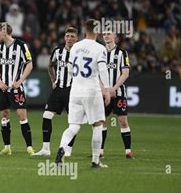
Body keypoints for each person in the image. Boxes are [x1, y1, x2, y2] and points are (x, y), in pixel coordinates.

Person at [55, 19, 111, 168]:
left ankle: (62, 148)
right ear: (97, 30)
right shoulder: (100, 48)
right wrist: (107, 89)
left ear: (85, 30)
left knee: (73, 126)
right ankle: (95, 160)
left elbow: (69, 69)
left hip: (75, 91)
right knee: (98, 125)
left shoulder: (75, 47)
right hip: (92, 91)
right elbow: (103, 70)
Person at [34, 27, 78, 156]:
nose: (69, 38)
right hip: (58, 89)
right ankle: (45, 149)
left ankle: (68, 149)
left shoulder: (79, 53)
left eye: (72, 36)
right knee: (46, 116)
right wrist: (53, 80)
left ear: (76, 38)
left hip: (72, 90)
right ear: (64, 37)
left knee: (73, 121)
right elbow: (50, 65)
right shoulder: (57, 51)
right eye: (67, 36)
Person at [0, 22, 34, 155]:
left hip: (16, 88)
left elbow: (29, 65)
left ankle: (29, 147)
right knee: (4, 116)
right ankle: (7, 147)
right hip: (2, 88)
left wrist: (20, 81)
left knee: (22, 116)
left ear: (4, 32)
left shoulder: (21, 46)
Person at [101, 31, 133, 159]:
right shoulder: (99, 53)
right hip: (103, 93)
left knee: (122, 120)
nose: (106, 36)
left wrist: (114, 88)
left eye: (109, 33)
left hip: (118, 92)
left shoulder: (122, 53)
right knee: (102, 121)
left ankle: (128, 151)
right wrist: (104, 89)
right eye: (104, 34)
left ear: (115, 36)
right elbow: (96, 74)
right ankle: (100, 151)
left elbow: (125, 73)